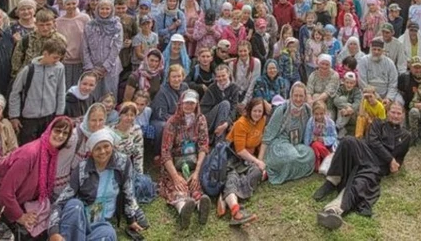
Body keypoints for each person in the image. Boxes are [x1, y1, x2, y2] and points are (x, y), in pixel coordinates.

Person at [313, 102, 412, 230]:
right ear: (388, 113)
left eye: (399, 113)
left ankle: (333, 211)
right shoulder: (377, 123)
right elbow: (373, 142)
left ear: (403, 116)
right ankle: (332, 181)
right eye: (393, 112)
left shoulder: (406, 136)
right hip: (365, 151)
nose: (395, 115)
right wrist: (390, 159)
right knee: (348, 140)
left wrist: (395, 165)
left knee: (361, 182)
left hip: (377, 165)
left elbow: (399, 158)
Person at [48, 129, 147, 241]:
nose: (103, 151)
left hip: (101, 221)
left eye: (106, 146)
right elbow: (60, 202)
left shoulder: (123, 162)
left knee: (109, 233)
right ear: (91, 151)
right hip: (81, 218)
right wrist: (54, 232)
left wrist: (131, 219)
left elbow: (128, 191)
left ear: (112, 146)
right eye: (97, 148)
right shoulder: (82, 168)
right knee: (74, 204)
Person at [0, 116, 75, 239]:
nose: (60, 136)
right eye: (57, 130)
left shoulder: (51, 153)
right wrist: (20, 217)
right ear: (49, 130)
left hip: (24, 203)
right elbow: (5, 192)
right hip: (4, 207)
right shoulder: (30, 154)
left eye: (65, 133)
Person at [158, 89, 212, 229]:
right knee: (179, 187)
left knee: (195, 186)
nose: (189, 106)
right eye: (186, 103)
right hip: (175, 165)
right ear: (181, 103)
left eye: (192, 103)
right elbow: (165, 152)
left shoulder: (201, 119)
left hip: (194, 163)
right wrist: (175, 177)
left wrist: (197, 173)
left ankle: (201, 206)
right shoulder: (172, 122)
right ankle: (183, 210)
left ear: (196, 104)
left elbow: (203, 146)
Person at [9, 36, 68, 144]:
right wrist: (14, 116)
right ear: (45, 53)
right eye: (55, 57)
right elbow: (15, 93)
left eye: (59, 58)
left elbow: (61, 92)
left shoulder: (59, 68)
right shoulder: (28, 70)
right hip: (29, 117)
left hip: (49, 115)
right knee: (28, 147)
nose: (57, 61)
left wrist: (59, 114)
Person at [220, 98, 269, 226]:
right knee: (233, 175)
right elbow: (240, 150)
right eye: (255, 111)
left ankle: (227, 197)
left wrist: (259, 161)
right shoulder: (241, 123)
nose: (257, 114)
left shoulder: (262, 121)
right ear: (249, 110)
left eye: (260, 111)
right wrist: (257, 161)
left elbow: (261, 141)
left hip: (249, 159)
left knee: (258, 173)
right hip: (234, 156)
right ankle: (236, 211)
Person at [263, 82, 314, 184]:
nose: (298, 99)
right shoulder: (282, 109)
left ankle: (290, 171)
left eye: (301, 96)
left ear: (305, 97)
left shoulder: (307, 110)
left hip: (296, 144)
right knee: (291, 156)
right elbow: (268, 136)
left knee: (310, 154)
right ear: (291, 95)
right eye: (296, 95)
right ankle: (275, 171)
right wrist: (261, 160)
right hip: (280, 143)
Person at [83, 0, 123, 100]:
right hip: (93, 67)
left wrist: (106, 67)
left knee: (109, 96)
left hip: (111, 68)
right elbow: (85, 47)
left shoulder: (117, 26)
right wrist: (90, 67)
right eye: (102, 8)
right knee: (92, 95)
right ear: (97, 9)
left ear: (111, 10)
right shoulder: (90, 25)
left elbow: (117, 47)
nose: (104, 11)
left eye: (107, 9)